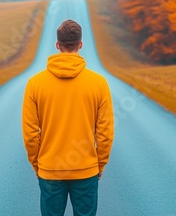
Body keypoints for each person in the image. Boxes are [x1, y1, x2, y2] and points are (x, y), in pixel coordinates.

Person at [22, 19, 114, 216]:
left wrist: (37, 164)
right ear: (80, 45)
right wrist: (100, 163)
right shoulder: (99, 83)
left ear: (57, 45)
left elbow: (30, 133)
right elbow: (105, 133)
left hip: (50, 170)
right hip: (86, 170)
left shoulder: (34, 84)